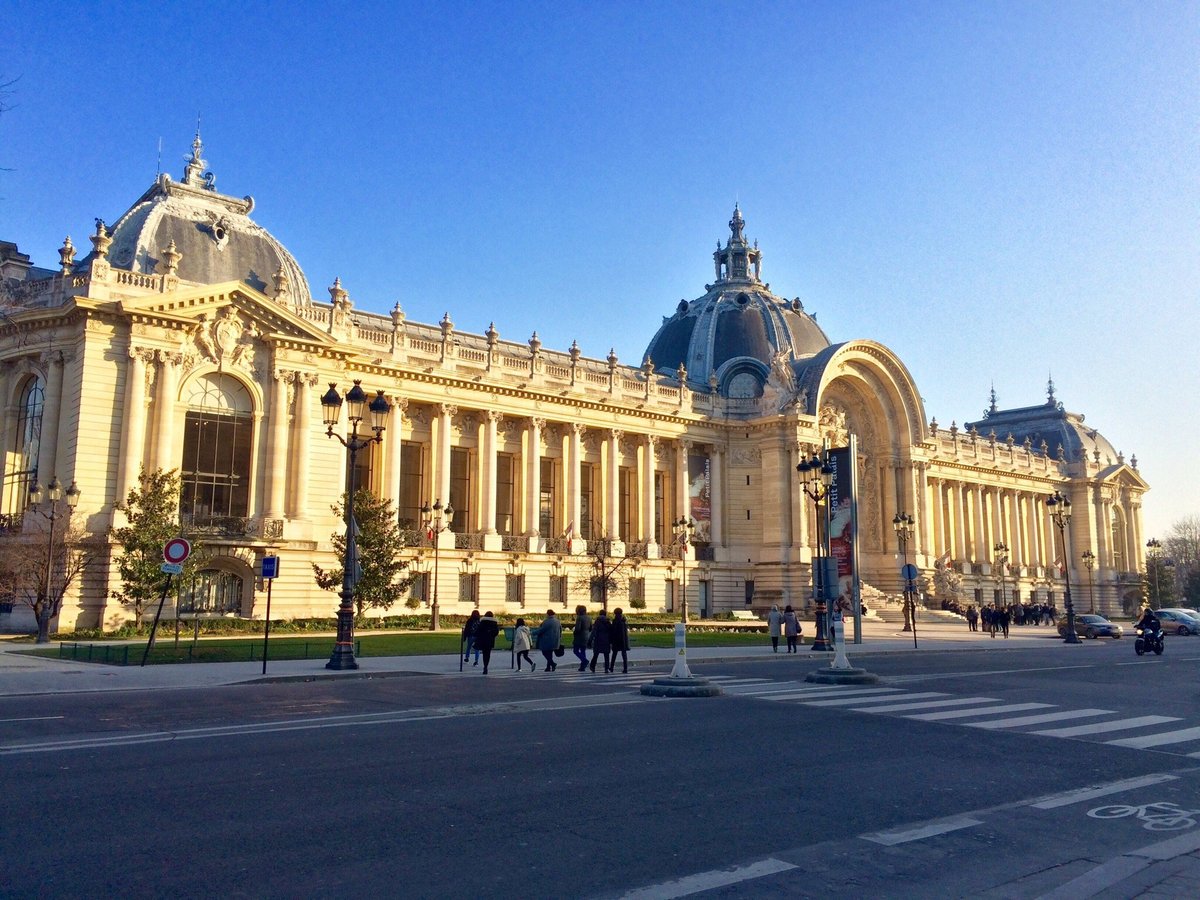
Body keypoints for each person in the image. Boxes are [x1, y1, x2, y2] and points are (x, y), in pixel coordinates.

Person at [589, 608, 612, 672]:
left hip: (598, 639)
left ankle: (592, 666)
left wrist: (590, 640)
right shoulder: (608, 622)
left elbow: (594, 631)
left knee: (596, 654)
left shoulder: (597, 621)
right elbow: (611, 631)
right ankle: (606, 668)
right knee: (606, 655)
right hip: (606, 640)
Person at [610, 608, 630, 673]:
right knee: (624, 654)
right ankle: (625, 668)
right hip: (623, 640)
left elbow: (613, 630)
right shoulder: (624, 621)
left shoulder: (615, 621)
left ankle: (611, 667)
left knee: (614, 654)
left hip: (616, 639)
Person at [572, 604, 592, 672]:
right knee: (583, 651)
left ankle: (584, 661)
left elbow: (578, 629)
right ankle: (582, 666)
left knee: (576, 651)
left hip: (579, 637)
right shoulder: (589, 617)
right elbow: (591, 628)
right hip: (586, 636)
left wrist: (574, 633)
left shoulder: (579, 618)